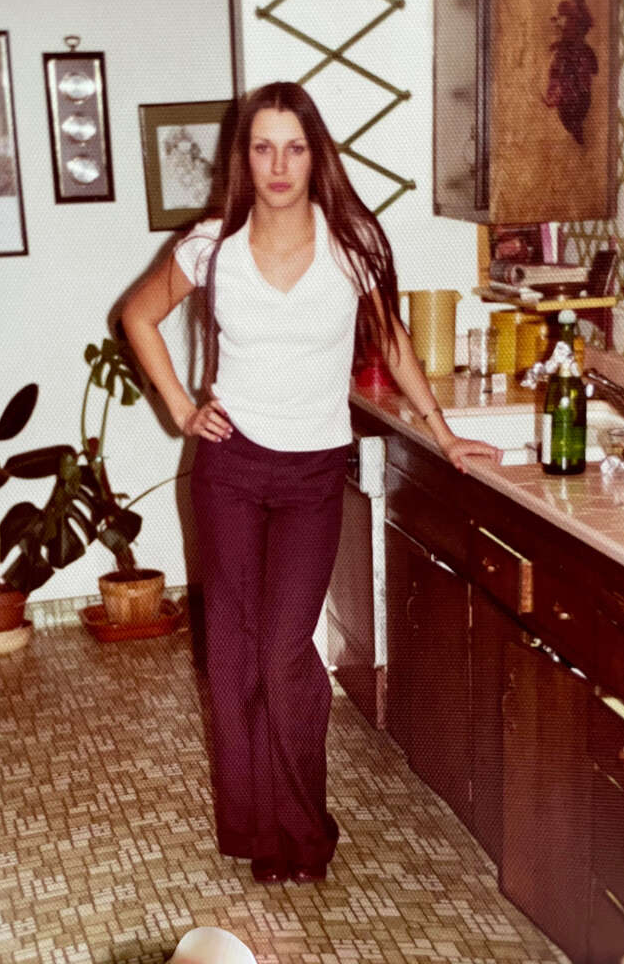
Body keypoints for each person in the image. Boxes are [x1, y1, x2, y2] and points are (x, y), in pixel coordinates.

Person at [121, 81, 499, 886]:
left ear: (315, 154)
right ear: (244, 157)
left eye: (295, 147)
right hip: (229, 471)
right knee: (235, 657)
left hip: (311, 476)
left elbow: (392, 341)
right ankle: (262, 836)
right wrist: (185, 409)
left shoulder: (351, 241)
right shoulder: (210, 246)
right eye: (263, 147)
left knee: (286, 654)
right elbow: (136, 316)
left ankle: (305, 830)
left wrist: (443, 432)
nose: (279, 164)